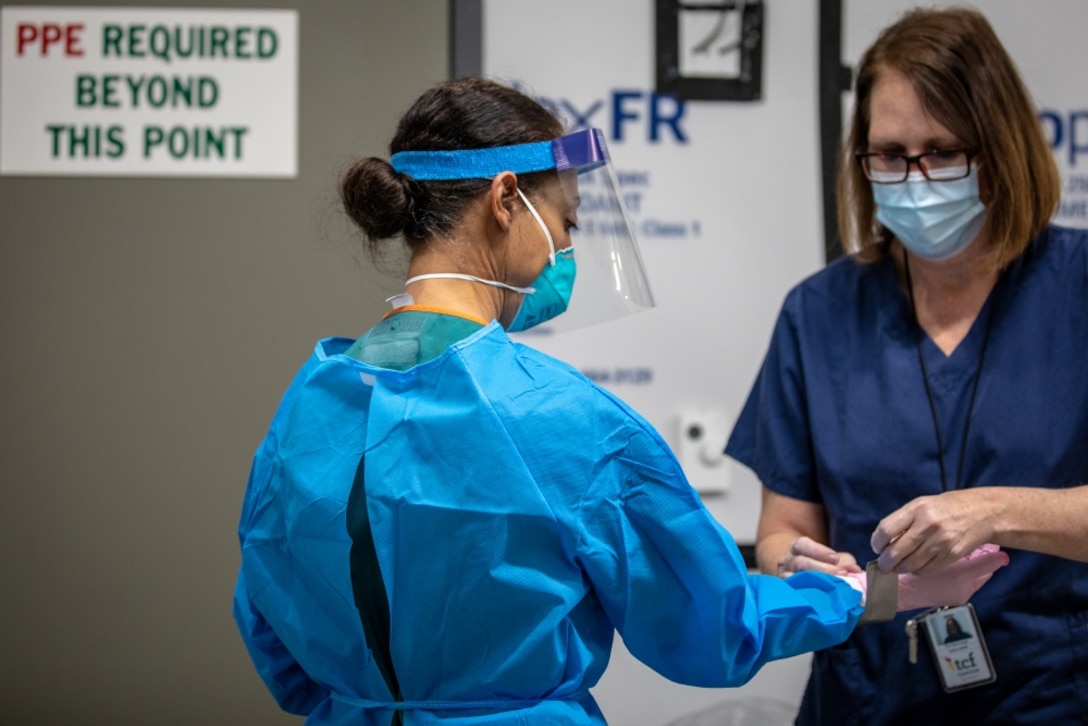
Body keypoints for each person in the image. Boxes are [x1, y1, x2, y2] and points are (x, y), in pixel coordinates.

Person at [232, 77, 999, 725]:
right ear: (506, 200)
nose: (562, 254)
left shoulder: (310, 399)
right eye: (563, 224)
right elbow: (714, 629)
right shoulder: (561, 421)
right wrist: (880, 592)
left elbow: (273, 637)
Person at [725, 6, 1088, 724]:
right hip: (866, 694)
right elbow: (780, 530)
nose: (915, 178)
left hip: (1051, 694)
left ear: (1000, 149)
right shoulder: (820, 314)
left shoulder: (1075, 288)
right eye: (889, 154)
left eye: (943, 151)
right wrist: (793, 566)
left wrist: (997, 511)